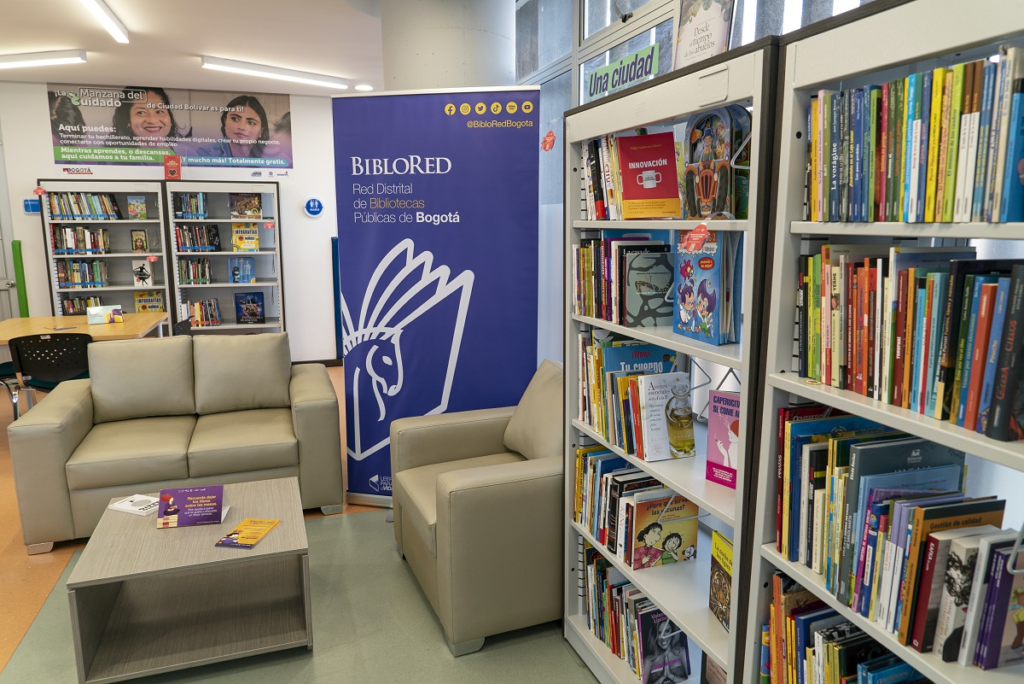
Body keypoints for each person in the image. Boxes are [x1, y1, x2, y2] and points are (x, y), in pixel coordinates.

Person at [197, 95, 270, 158]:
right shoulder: (206, 154)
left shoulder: (271, 157)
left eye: (251, 123)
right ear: (225, 121)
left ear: (261, 131)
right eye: (235, 119)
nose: (241, 127)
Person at [110, 87, 186, 144]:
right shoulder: (111, 158)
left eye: (159, 111)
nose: (152, 120)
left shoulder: (187, 153)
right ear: (127, 120)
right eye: (141, 112)